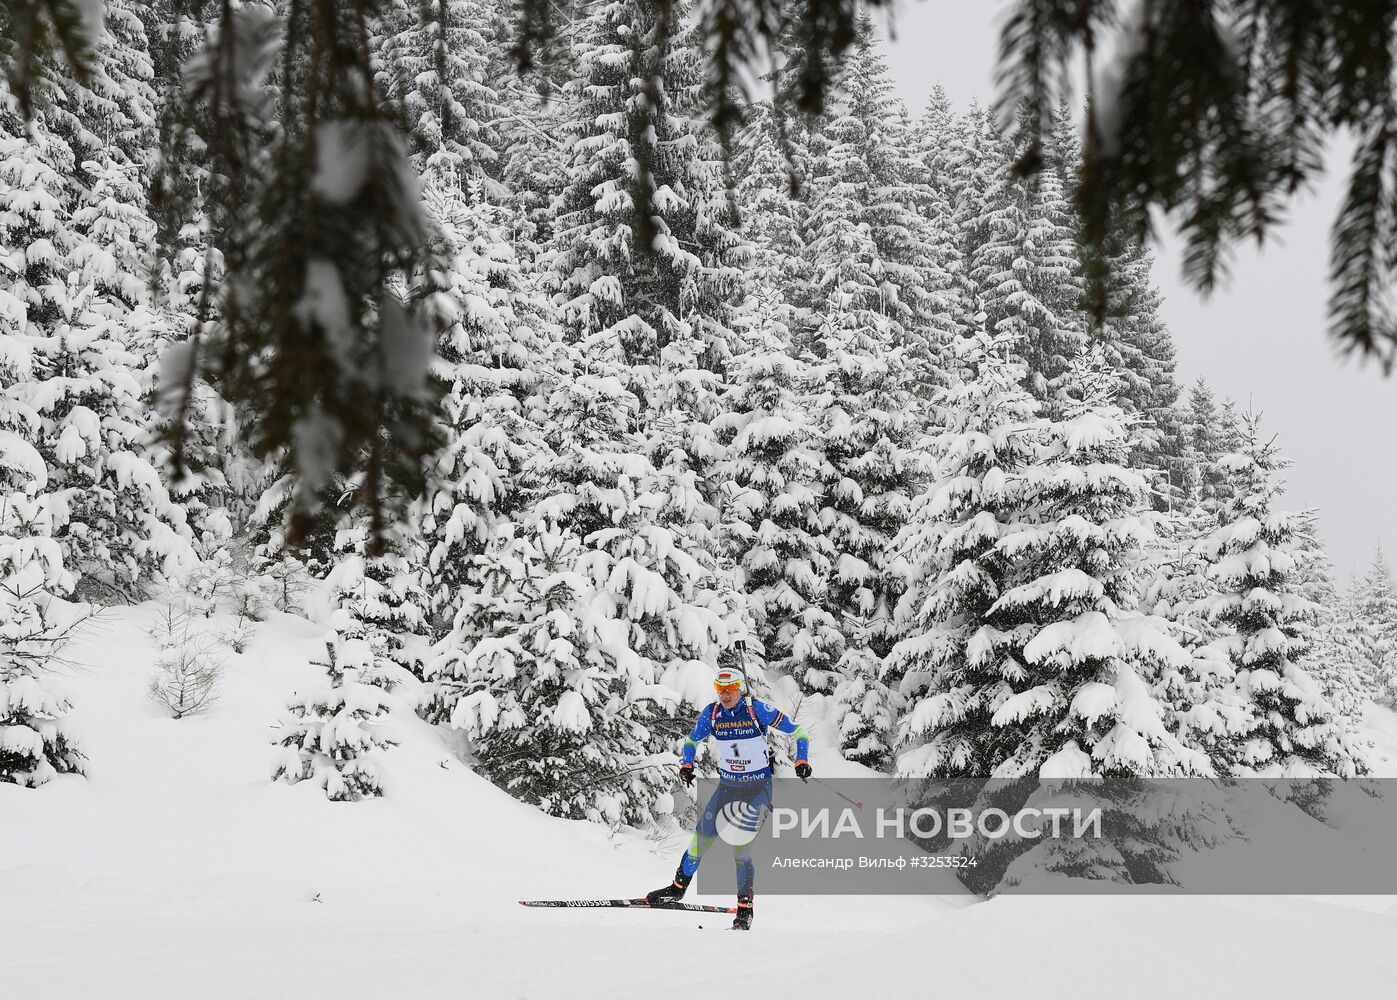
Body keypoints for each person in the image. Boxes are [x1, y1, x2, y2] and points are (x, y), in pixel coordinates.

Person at [645, 667, 811, 930]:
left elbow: (799, 732)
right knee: (701, 838)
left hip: (757, 790)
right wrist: (687, 764)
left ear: (739, 688)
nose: (724, 695)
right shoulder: (712, 714)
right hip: (728, 788)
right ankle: (677, 889)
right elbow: (690, 741)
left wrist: (801, 759)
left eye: (730, 689)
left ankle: (745, 909)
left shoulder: (757, 710)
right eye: (720, 689)